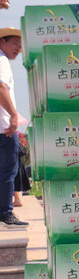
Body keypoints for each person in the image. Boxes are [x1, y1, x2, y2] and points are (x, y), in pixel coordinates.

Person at [0, 27, 27, 228]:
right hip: (4, 128)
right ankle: (5, 213)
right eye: (15, 44)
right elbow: (1, 87)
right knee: (9, 170)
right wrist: (13, 116)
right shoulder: (1, 60)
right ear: (2, 42)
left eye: (20, 45)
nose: (18, 48)